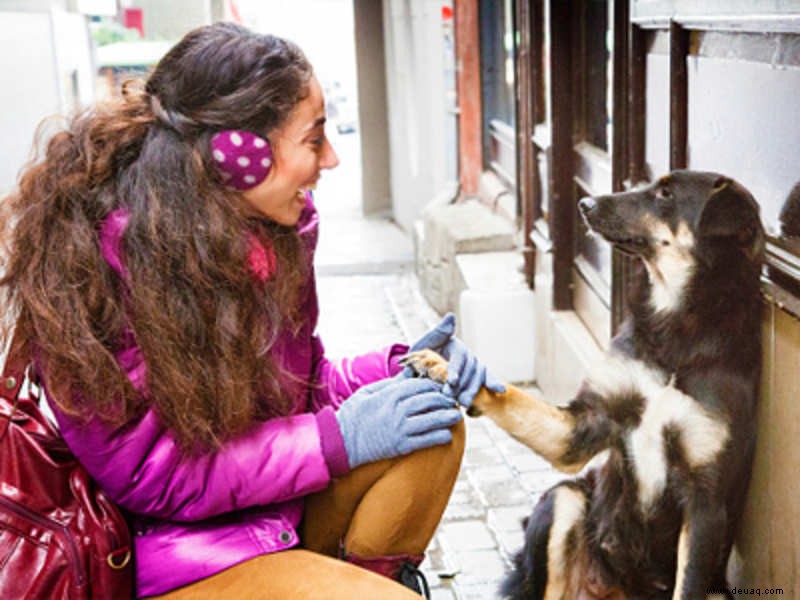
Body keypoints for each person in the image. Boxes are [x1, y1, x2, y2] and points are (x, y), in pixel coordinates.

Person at [0, 23, 503, 599]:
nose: (332, 158)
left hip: (269, 516)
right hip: (174, 556)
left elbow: (301, 391)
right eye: (314, 139)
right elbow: (149, 474)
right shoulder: (101, 271)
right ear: (234, 153)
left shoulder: (267, 239)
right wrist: (338, 439)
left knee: (431, 425)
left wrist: (400, 366)